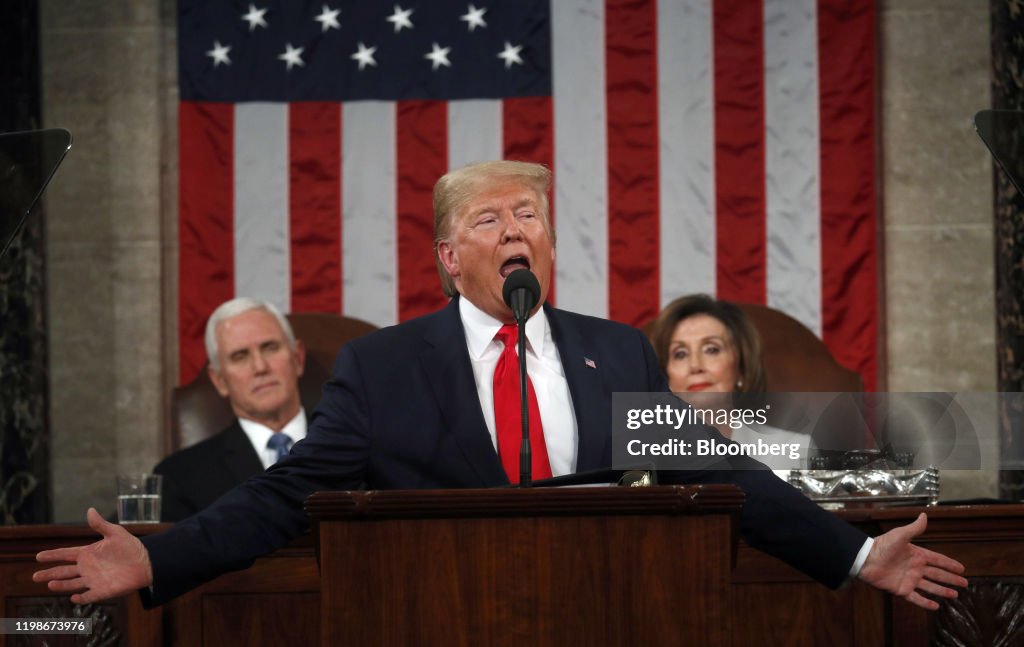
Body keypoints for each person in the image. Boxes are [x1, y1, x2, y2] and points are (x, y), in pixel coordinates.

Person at [35, 161, 965, 613]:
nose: (518, 226)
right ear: (450, 256)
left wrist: (851, 554)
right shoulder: (383, 367)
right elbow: (285, 495)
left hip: (608, 616)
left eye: (531, 214)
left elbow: (726, 475)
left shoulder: (619, 354)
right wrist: (160, 558)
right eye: (491, 217)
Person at [154, 298, 307, 521]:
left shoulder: (356, 447)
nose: (260, 367)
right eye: (240, 356)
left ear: (297, 359)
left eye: (270, 348)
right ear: (219, 381)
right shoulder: (180, 477)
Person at [647, 294, 810, 471]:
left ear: (741, 368)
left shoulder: (794, 451)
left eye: (712, 349)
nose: (695, 366)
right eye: (680, 354)